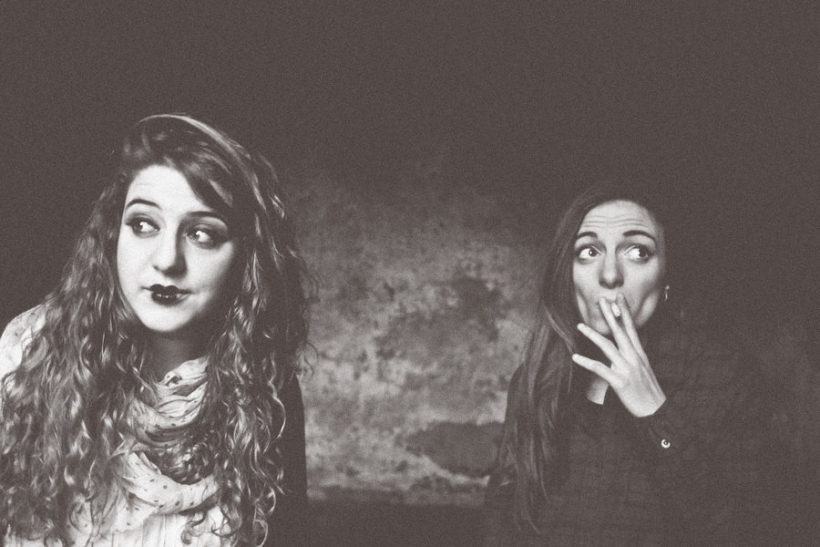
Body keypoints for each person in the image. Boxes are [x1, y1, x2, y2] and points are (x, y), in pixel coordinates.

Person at [0, 114, 310, 547]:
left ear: (245, 259)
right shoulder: (31, 351)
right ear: (114, 235)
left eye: (202, 233)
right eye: (143, 224)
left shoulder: (263, 385)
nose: (167, 260)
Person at [484, 181, 770, 547]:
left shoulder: (725, 378)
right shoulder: (537, 377)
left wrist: (654, 411)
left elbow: (745, 530)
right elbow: (502, 516)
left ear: (666, 278)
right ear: (566, 277)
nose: (609, 274)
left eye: (637, 251)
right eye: (588, 251)